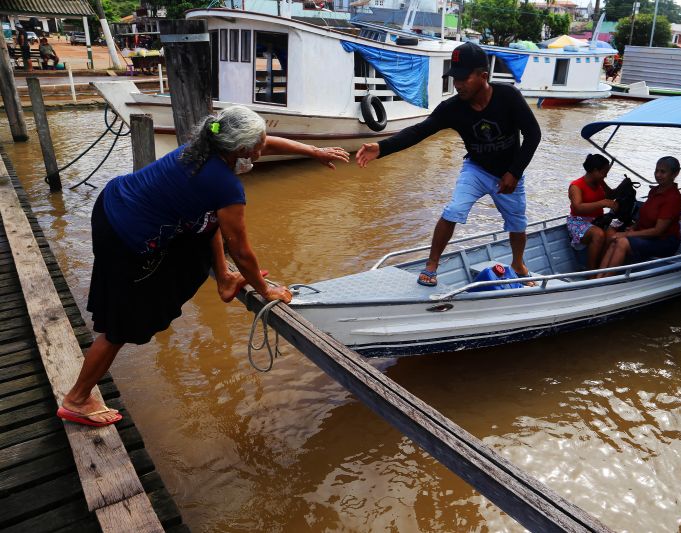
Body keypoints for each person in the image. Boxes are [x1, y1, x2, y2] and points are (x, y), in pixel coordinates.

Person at [57, 106, 350, 427]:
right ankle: (77, 399)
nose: (262, 150)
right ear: (241, 149)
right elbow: (241, 250)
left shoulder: (204, 146)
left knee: (203, 225)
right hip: (125, 234)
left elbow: (267, 145)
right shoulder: (224, 184)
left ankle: (224, 279)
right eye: (257, 147)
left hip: (114, 202)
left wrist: (314, 151)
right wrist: (266, 290)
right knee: (121, 325)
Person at [356, 42, 542, 286]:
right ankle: (431, 265)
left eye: (464, 78)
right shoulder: (452, 108)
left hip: (509, 172)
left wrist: (514, 172)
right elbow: (419, 131)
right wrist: (382, 148)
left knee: (517, 222)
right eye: (455, 78)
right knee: (453, 210)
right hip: (476, 169)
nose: (458, 84)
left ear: (483, 76)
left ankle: (518, 264)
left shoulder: (508, 97)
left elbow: (533, 134)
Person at [596, 156, 681, 278]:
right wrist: (634, 227)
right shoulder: (654, 191)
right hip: (647, 234)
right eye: (656, 171)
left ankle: (606, 281)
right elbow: (645, 215)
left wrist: (627, 234)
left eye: (663, 172)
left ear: (674, 174)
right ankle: (598, 277)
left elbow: (658, 231)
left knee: (622, 241)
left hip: (664, 241)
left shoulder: (673, 198)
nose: (658, 175)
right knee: (615, 239)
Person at [566, 154, 617, 270]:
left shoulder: (600, 182)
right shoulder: (576, 186)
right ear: (595, 171)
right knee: (598, 234)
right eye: (604, 172)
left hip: (598, 220)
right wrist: (602, 203)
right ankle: (591, 272)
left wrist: (624, 186)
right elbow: (578, 207)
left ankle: (602, 268)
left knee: (613, 234)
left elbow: (610, 195)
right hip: (578, 223)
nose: (605, 175)